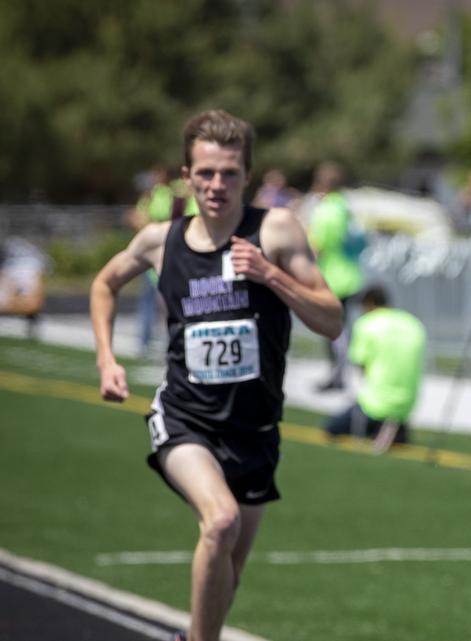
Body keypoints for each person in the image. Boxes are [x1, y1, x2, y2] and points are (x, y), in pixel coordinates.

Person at [90, 109, 343, 641]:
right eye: (205, 173)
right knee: (220, 521)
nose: (216, 185)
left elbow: (331, 320)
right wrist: (106, 358)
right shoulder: (162, 240)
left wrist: (271, 275)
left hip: (254, 431)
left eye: (229, 173)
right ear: (186, 176)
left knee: (229, 573)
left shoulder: (273, 230)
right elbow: (104, 285)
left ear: (246, 175)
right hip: (186, 420)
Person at [324, 284, 426, 452]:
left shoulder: (366, 324)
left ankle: (381, 427)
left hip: (374, 404)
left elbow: (360, 366)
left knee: (331, 428)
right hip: (407, 404)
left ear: (370, 304)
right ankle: (392, 426)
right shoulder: (413, 323)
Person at [130, 164, 199, 356]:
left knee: (169, 302)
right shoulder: (154, 194)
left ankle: (172, 341)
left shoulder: (177, 192)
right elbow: (137, 218)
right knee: (152, 299)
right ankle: (146, 341)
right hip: (157, 251)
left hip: (175, 251)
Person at [307, 161, 365, 391]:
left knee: (332, 329)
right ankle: (341, 373)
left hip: (333, 278)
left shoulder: (326, 211)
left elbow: (316, 246)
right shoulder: (345, 208)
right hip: (351, 275)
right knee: (343, 328)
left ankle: (338, 375)